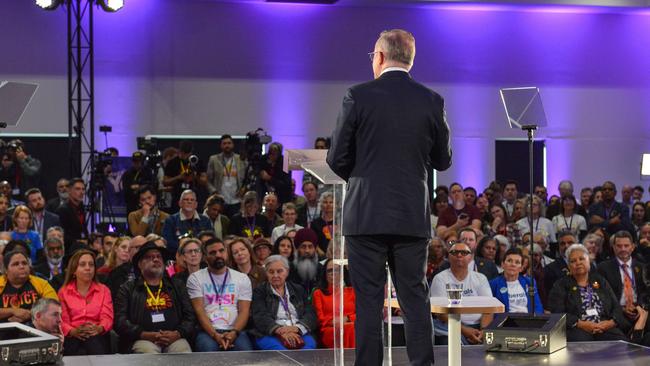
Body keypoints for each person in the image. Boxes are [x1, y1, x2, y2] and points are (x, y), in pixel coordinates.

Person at [326, 29, 451, 366]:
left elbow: (336, 158)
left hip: (365, 215)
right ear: (410, 59)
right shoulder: (431, 100)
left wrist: (365, 177)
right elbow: (443, 160)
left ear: (379, 57)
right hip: (411, 216)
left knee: (368, 301)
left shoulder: (358, 95)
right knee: (414, 298)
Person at [114, 242, 195, 353]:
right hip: (141, 339)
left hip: (174, 338)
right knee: (149, 354)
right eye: (149, 257)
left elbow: (190, 316)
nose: (156, 259)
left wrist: (178, 333)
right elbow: (120, 320)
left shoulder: (177, 285)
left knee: (183, 352)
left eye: (158, 257)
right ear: (140, 264)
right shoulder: (128, 288)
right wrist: (143, 334)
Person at [548, 243, 631, 341]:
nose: (578, 263)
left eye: (581, 259)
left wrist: (611, 323)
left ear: (588, 261)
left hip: (604, 325)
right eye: (573, 261)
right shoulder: (561, 285)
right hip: (577, 328)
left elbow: (615, 306)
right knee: (582, 342)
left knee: (621, 341)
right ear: (569, 266)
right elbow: (557, 312)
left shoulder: (600, 280)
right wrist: (580, 324)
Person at [187, 238, 254, 351]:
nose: (218, 255)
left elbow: (244, 311)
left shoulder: (242, 278)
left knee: (246, 356)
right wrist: (214, 335)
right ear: (204, 257)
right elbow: (199, 311)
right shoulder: (195, 278)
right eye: (213, 253)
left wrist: (234, 333)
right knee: (210, 355)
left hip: (235, 330)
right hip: (207, 332)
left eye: (221, 251)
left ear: (226, 253)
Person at [251, 255, 318, 350]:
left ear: (287, 272)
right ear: (266, 273)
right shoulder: (260, 291)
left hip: (298, 331)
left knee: (307, 350)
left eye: (279, 271)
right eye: (271, 272)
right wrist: (280, 330)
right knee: (281, 354)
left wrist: (296, 329)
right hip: (270, 333)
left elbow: (310, 314)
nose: (275, 275)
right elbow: (260, 316)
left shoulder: (298, 289)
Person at [58, 250, 113, 355]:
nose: (88, 268)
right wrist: (73, 331)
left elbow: (107, 317)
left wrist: (98, 328)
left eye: (91, 265)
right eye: (82, 265)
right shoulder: (63, 292)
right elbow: (62, 321)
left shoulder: (104, 290)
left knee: (93, 340)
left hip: (97, 335)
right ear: (74, 270)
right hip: (72, 336)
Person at [597, 231, 649, 325]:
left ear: (632, 247)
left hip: (639, 310)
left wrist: (639, 307)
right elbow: (603, 294)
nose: (623, 249)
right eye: (619, 246)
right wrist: (622, 309)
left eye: (626, 245)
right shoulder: (603, 268)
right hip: (616, 312)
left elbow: (645, 292)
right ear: (613, 247)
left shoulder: (642, 267)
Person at [0, 250, 58, 322]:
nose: (21, 266)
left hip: (35, 329)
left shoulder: (41, 283)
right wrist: (12, 311)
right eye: (16, 264)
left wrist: (29, 315)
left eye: (24, 263)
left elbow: (54, 307)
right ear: (6, 269)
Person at [312, 258, 356, 348]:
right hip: (330, 329)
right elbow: (320, 319)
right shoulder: (318, 293)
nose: (333, 273)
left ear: (342, 273)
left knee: (354, 328)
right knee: (350, 328)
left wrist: (347, 318)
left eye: (337, 270)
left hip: (351, 324)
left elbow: (361, 313)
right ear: (325, 274)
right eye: (329, 271)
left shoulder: (352, 291)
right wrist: (333, 321)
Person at [489, 248, 543, 314]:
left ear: (521, 268)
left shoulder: (529, 282)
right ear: (502, 264)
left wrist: (535, 320)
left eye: (517, 262)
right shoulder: (494, 284)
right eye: (509, 261)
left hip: (528, 321)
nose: (513, 264)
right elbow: (492, 310)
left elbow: (537, 305)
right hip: (506, 321)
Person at [206, 134, 248, 217]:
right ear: (221, 146)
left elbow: (248, 177)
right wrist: (213, 191)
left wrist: (244, 188)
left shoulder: (241, 159)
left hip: (237, 199)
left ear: (233, 145)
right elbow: (207, 179)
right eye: (224, 143)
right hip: (220, 199)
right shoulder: (214, 159)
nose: (227, 145)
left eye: (229, 143)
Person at [161, 189, 212, 255]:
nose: (189, 202)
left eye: (192, 200)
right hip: (178, 255)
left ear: (196, 204)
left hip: (201, 255)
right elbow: (167, 241)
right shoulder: (170, 220)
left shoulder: (205, 220)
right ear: (180, 203)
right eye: (186, 199)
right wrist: (186, 248)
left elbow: (210, 241)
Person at [56, 178, 88, 252]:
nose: (81, 192)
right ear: (69, 191)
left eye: (83, 189)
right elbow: (61, 234)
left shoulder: (81, 207)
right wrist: (78, 241)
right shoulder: (62, 210)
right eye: (78, 189)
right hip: (69, 250)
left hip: (81, 248)